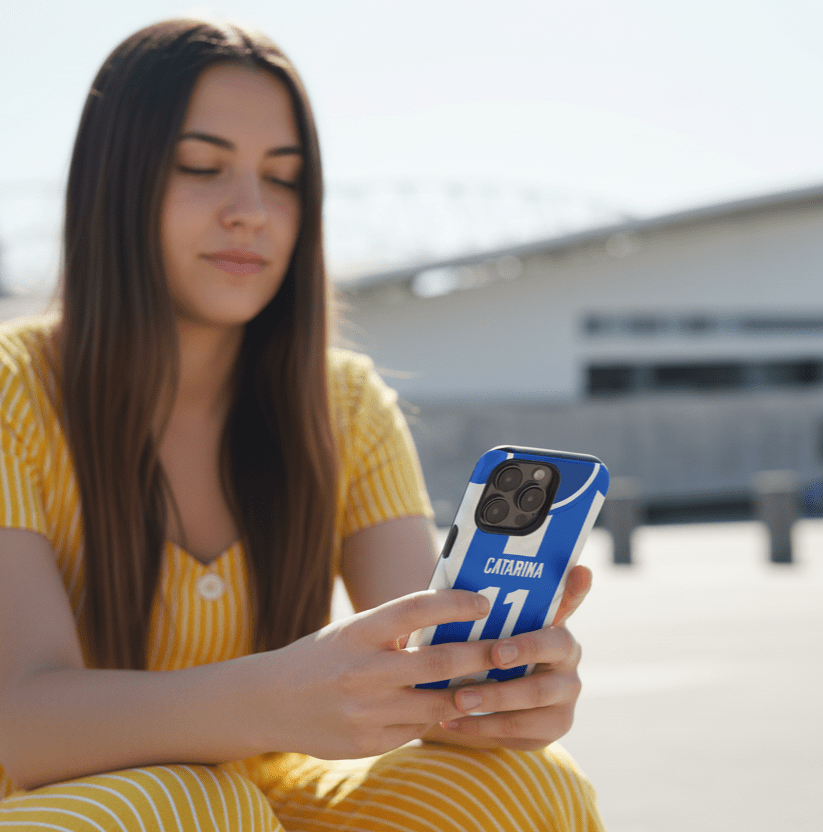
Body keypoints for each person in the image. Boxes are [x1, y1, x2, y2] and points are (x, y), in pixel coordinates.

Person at [0, 18, 604, 831]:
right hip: (54, 804)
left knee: (526, 787)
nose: (251, 210)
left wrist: (498, 688)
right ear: (113, 183)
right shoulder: (12, 388)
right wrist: (272, 699)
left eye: (283, 179)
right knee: (186, 804)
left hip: (263, 800)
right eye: (201, 167)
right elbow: (23, 723)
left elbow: (421, 674)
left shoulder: (344, 403)